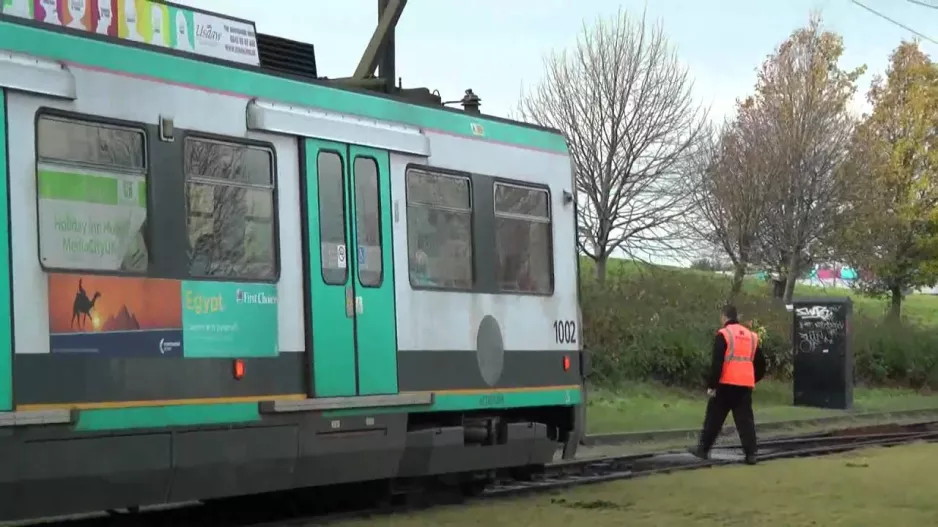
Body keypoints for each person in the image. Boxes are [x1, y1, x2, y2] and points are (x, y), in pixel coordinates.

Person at [688, 304, 767, 465]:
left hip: (726, 384)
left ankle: (703, 449)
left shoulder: (724, 334)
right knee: (745, 421)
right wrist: (752, 378)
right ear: (736, 317)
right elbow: (761, 364)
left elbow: (717, 363)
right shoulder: (751, 336)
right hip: (744, 385)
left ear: (724, 317)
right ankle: (751, 454)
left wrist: (712, 385)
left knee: (714, 418)